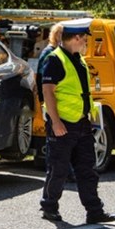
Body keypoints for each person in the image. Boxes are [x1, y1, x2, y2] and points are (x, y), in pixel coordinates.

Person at [39, 18, 115, 224]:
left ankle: (94, 211)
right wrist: (55, 122)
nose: (86, 42)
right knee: (58, 168)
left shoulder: (78, 58)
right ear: (76, 37)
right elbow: (48, 91)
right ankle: (49, 207)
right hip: (63, 124)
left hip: (82, 123)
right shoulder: (55, 59)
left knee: (87, 169)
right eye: (84, 38)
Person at [37, 23, 76, 183]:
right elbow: (42, 80)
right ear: (55, 35)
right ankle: (55, 174)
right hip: (50, 101)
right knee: (54, 140)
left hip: (61, 103)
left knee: (63, 140)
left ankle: (67, 171)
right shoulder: (49, 53)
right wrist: (42, 101)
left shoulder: (62, 53)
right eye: (61, 34)